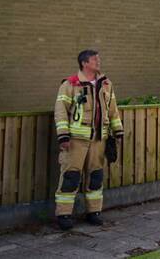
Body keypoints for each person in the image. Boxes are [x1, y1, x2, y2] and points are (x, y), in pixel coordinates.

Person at [54, 50, 123, 230]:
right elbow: (60, 111)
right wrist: (63, 136)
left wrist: (118, 131)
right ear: (84, 63)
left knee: (95, 177)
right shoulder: (70, 84)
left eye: (98, 58)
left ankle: (94, 212)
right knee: (70, 177)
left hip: (99, 140)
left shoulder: (106, 84)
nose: (98, 62)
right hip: (76, 140)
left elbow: (113, 110)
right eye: (94, 59)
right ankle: (64, 215)